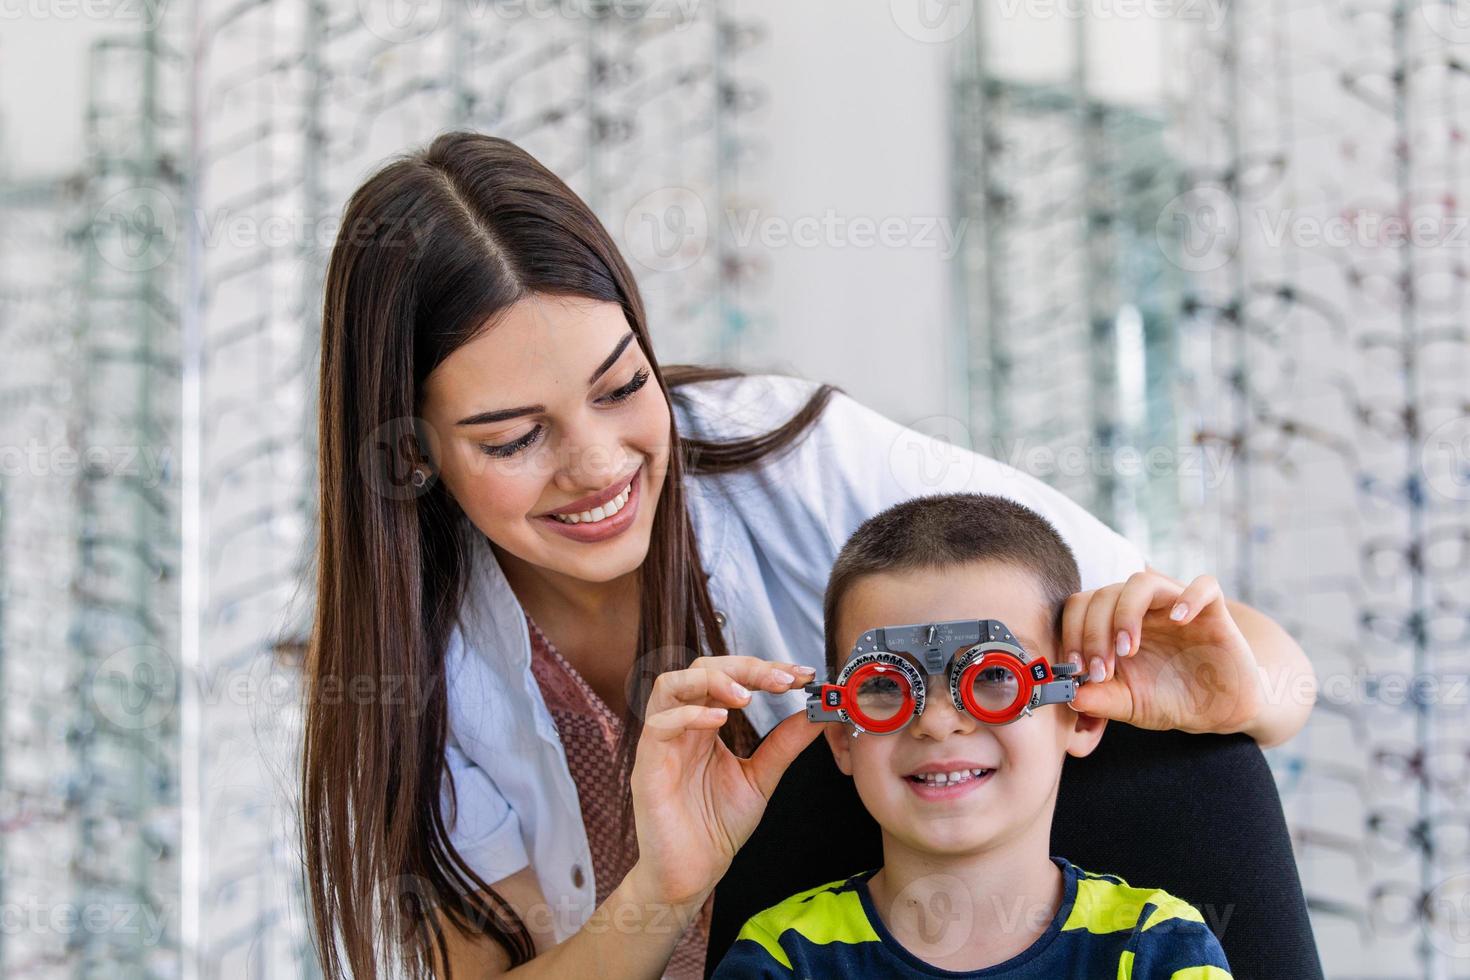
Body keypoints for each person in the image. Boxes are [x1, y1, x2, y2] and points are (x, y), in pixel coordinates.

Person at [299, 131, 1315, 980]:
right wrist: (669, 886)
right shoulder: (408, 658)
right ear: (412, 451)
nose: (599, 464)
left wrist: (1236, 690)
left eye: (621, 386)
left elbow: (1265, 671)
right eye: (514, 438)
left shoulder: (798, 461)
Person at [709, 492, 1234, 977]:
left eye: (994, 676)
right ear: (842, 736)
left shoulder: (1156, 946)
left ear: (1083, 714)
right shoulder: (783, 957)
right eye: (886, 684)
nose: (936, 722)